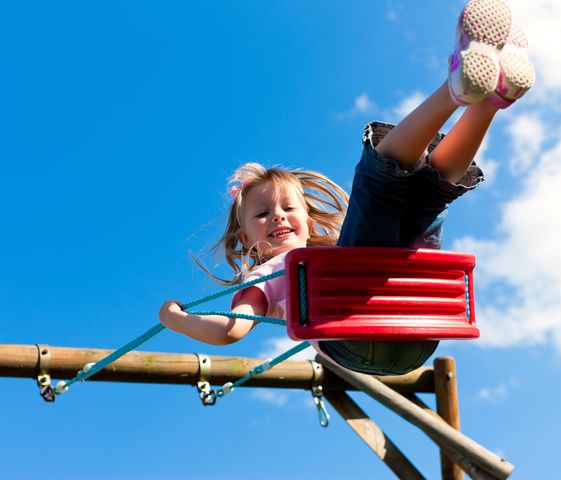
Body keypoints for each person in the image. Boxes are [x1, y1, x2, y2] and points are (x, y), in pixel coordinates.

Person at [159, 0, 534, 375]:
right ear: (244, 238)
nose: (278, 216)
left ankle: (490, 100)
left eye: (288, 208)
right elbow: (231, 330)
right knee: (378, 181)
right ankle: (455, 89)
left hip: (411, 327)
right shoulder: (270, 271)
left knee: (429, 193)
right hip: (364, 333)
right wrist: (176, 319)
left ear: (307, 217)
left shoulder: (332, 251)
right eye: (262, 213)